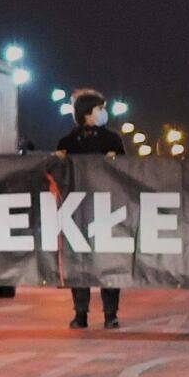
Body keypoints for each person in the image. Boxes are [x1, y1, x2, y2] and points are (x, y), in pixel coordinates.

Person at [55, 88, 125, 329]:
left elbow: (129, 172)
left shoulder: (112, 140)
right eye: (100, 109)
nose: (104, 113)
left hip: (107, 208)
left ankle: (110, 313)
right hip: (78, 210)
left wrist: (117, 161)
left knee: (109, 261)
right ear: (87, 113)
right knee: (78, 262)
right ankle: (81, 313)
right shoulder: (68, 142)